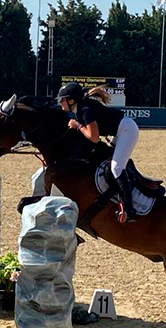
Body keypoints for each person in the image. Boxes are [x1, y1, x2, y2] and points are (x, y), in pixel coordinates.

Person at [57, 82, 140, 223]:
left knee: (116, 167)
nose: (60, 103)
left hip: (127, 130)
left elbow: (93, 137)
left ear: (72, 101)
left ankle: (130, 209)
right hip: (120, 130)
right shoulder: (81, 108)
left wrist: (77, 126)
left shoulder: (85, 110)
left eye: (62, 99)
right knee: (107, 160)